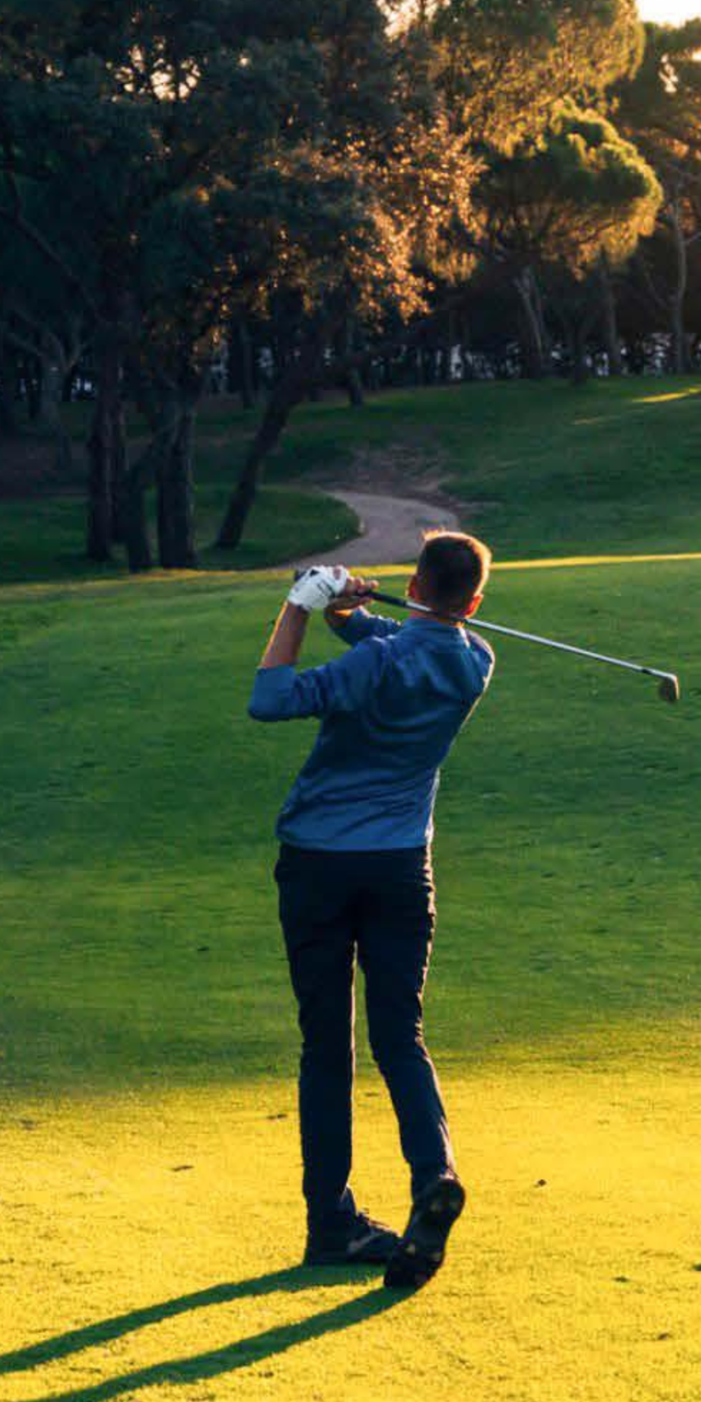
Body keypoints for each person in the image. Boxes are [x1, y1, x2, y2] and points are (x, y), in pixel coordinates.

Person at [247, 531, 495, 1290]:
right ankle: (434, 1175)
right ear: (474, 602)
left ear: (413, 585)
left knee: (327, 1047)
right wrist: (346, 611)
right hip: (401, 869)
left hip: (319, 865)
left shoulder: (375, 664)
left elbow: (269, 699)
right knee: (400, 1038)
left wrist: (299, 608)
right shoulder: (476, 661)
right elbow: (405, 639)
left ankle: (331, 1225)